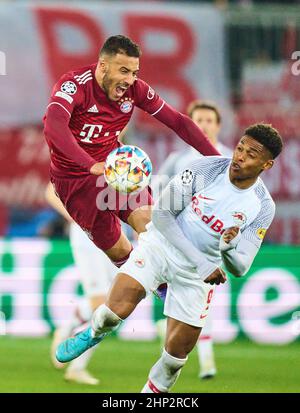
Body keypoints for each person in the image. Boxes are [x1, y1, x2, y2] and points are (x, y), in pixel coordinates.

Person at [55, 123, 283, 392]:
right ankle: (92, 333)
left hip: (198, 276)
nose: (240, 157)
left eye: (251, 154)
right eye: (240, 148)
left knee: (175, 359)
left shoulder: (263, 207)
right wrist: (202, 261)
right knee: (114, 313)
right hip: (161, 247)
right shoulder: (205, 169)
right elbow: (162, 216)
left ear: (266, 165)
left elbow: (241, 267)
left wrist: (227, 250)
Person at [43, 35, 220, 270]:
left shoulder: (136, 90)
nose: (130, 80)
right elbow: (54, 128)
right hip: (75, 179)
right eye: (124, 71)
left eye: (134, 72)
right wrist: (89, 165)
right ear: (103, 66)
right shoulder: (74, 85)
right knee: (120, 251)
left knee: (149, 225)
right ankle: (149, 284)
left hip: (117, 168)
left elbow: (178, 122)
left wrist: (218, 162)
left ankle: (168, 285)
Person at [153, 100, 232, 380]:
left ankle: (203, 361)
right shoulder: (178, 159)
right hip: (179, 241)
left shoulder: (232, 160)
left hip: (212, 244)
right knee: (193, 302)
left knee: (202, 302)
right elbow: (158, 193)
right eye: (198, 120)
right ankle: (203, 362)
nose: (204, 125)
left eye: (210, 120)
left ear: (218, 125)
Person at [45, 182, 118, 385]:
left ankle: (68, 329)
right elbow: (50, 192)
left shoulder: (120, 157)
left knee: (117, 301)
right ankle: (76, 364)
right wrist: (75, 216)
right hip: (88, 235)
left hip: (115, 234)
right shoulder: (82, 158)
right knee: (103, 306)